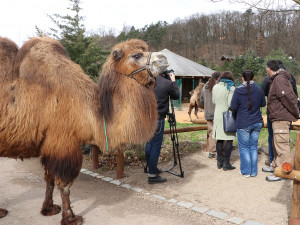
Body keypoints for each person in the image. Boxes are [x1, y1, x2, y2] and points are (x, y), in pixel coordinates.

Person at [262, 60, 299, 182]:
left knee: (282, 147)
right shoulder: (277, 79)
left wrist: (296, 112)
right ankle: (276, 168)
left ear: (269, 69)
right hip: (277, 118)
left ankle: (284, 173)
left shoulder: (279, 80)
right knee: (277, 145)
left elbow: (288, 98)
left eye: (266, 68)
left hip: (281, 118)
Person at [145, 70, 179, 184]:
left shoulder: (148, 81)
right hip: (158, 118)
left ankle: (151, 168)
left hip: (147, 118)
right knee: (155, 146)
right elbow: (176, 95)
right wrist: (173, 81)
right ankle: (152, 175)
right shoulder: (167, 83)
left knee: (149, 143)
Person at [231, 70, 266, 177]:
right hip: (257, 122)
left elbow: (233, 107)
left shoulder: (238, 91)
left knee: (244, 147)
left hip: (243, 123)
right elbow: (263, 104)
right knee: (253, 147)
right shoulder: (259, 89)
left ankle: (246, 171)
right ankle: (254, 171)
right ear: (253, 78)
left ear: (242, 78)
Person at [212, 71, 236, 171]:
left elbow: (213, 101)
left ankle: (219, 162)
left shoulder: (215, 87)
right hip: (228, 115)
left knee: (219, 139)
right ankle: (226, 163)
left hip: (217, 115)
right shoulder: (231, 87)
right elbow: (230, 104)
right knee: (229, 139)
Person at [200, 72, 221, 159]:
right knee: (219, 132)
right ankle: (220, 151)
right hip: (217, 113)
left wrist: (207, 107)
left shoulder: (205, 87)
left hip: (208, 114)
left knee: (211, 133)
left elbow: (201, 100)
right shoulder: (219, 87)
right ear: (218, 78)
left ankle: (212, 152)